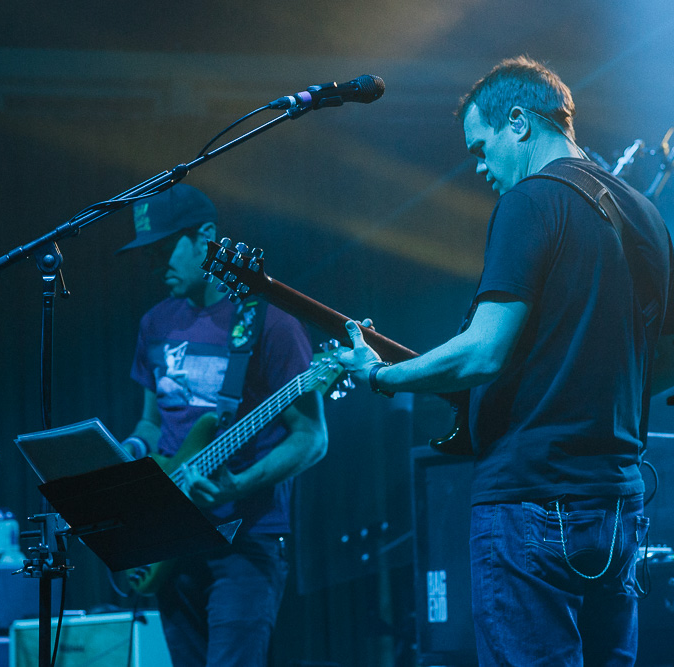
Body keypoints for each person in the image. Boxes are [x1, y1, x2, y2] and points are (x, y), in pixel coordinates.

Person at [336, 56, 674, 666]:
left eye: (481, 147)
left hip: (531, 501)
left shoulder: (530, 202)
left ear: (518, 121)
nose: (481, 168)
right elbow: (664, 365)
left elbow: (484, 351)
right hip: (620, 502)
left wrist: (382, 376)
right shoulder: (645, 215)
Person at [117, 183, 328, 667]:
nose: (155, 264)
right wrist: (132, 448)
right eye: (148, 253)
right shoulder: (155, 322)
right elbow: (152, 422)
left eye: (164, 248)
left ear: (206, 238)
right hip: (171, 535)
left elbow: (312, 437)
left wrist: (240, 484)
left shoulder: (270, 323)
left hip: (245, 539)